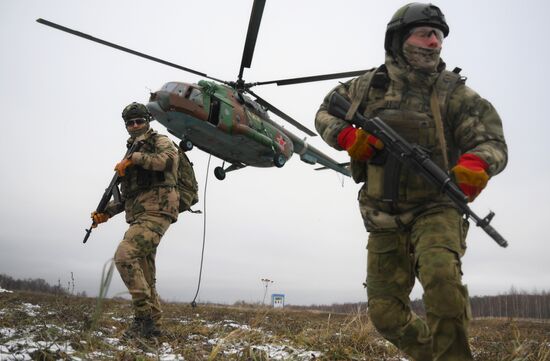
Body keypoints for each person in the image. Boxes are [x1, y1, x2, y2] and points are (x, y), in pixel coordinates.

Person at [315, 3, 507, 361]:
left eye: (438, 36)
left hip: (437, 207)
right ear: (399, 39)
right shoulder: (366, 87)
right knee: (386, 314)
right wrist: (347, 137)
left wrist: (475, 166)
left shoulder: (455, 94)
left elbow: (491, 141)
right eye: (425, 33)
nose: (433, 42)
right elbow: (325, 112)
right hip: (382, 214)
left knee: (443, 286)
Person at [91, 102, 179, 339]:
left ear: (147, 121)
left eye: (139, 121)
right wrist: (106, 213)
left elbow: (169, 160)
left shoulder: (158, 141)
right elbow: (129, 194)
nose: (135, 126)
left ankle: (143, 319)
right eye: (130, 123)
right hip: (140, 214)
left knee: (125, 255)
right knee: (145, 272)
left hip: (159, 210)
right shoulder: (130, 151)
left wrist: (136, 158)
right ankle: (153, 327)